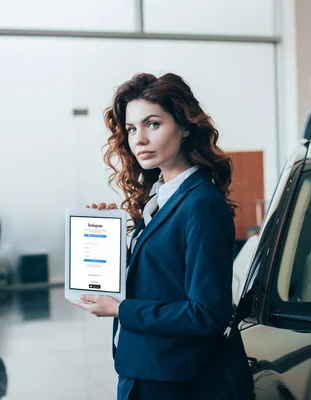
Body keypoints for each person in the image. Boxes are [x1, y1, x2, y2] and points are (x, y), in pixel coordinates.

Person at [71, 73, 253, 399]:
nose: (139, 139)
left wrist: (119, 310)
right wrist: (108, 237)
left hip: (172, 379)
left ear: (184, 126)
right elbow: (158, 277)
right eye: (131, 129)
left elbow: (207, 314)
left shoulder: (201, 204)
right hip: (142, 368)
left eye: (152, 124)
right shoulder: (159, 197)